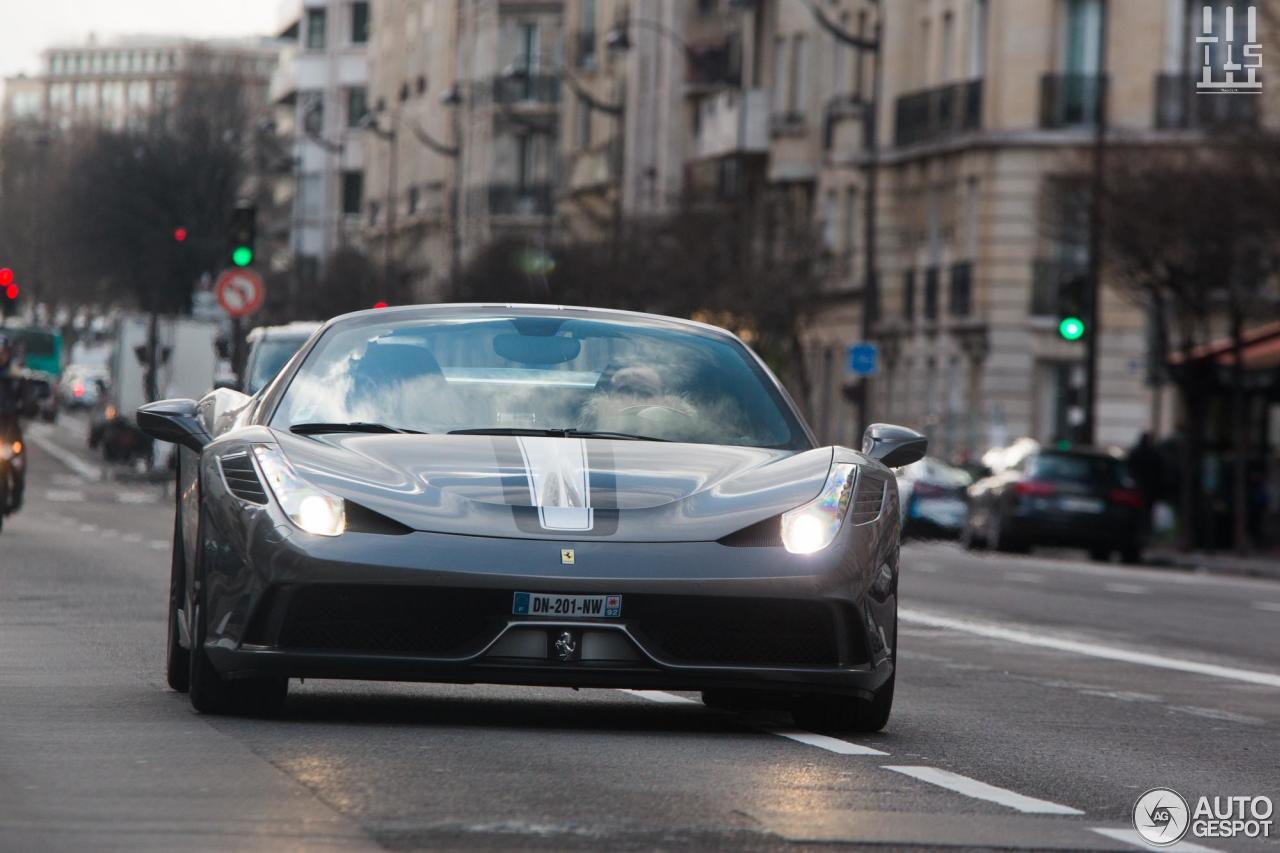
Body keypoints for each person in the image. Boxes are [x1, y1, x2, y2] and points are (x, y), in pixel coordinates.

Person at [0, 333, 28, 519]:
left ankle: (16, 495)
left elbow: (28, 398)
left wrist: (29, 405)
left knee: (18, 462)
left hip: (9, 430)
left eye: (2, 352)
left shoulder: (16, 376)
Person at [1127, 431, 1163, 527]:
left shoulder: (1136, 452)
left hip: (1140, 484)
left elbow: (1129, 467)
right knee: (1147, 509)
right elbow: (1159, 469)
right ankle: (1146, 526)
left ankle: (1141, 526)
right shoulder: (1154, 453)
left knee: (1140, 508)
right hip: (1149, 485)